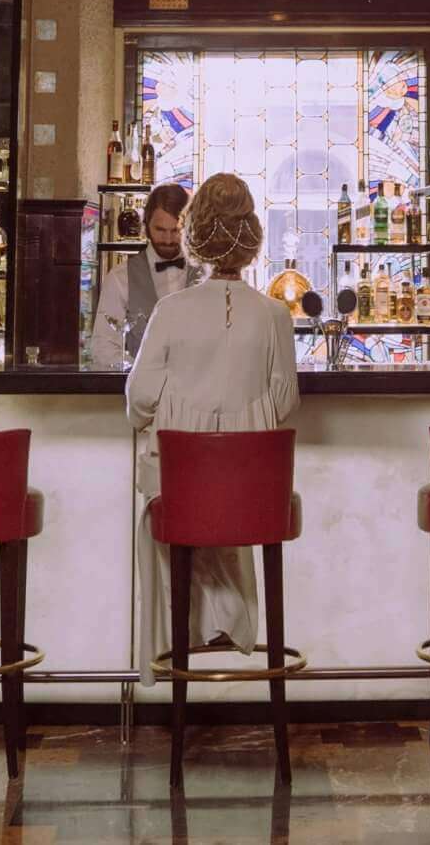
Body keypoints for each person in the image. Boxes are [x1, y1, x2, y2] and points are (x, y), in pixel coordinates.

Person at [125, 173, 300, 651]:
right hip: (254, 497)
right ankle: (233, 625)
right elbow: (285, 402)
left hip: (182, 498)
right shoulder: (275, 316)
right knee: (222, 517)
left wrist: (185, 408)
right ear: (253, 239)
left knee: (169, 511)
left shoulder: (172, 312)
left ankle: (183, 643)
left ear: (194, 237)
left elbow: (138, 402)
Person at [90, 182, 194, 367]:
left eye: (176, 231)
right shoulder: (120, 279)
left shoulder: (206, 276)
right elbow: (103, 348)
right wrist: (143, 373)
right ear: (145, 226)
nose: (169, 240)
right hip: (142, 393)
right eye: (160, 230)